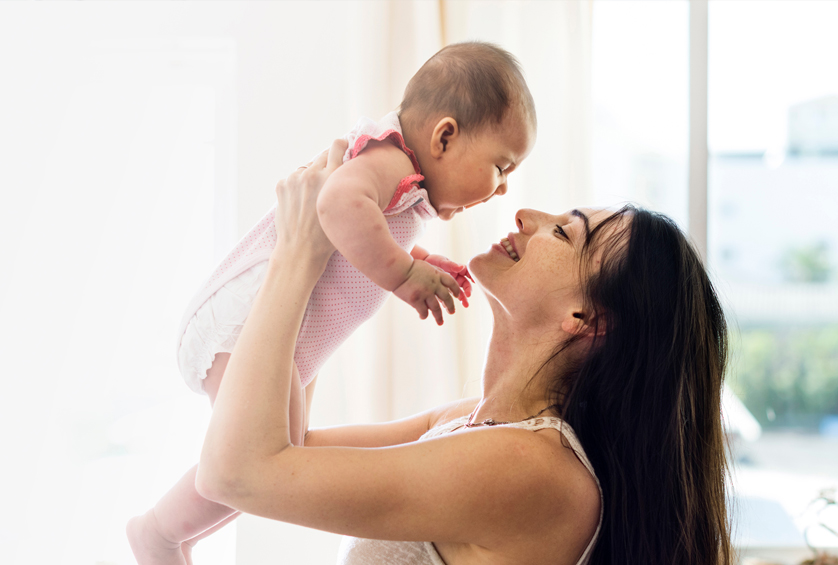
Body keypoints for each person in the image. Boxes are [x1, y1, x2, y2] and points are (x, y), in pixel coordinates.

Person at [194, 142, 734, 565]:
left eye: (565, 234)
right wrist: (329, 271)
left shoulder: (532, 469)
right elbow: (286, 445)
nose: (526, 214)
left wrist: (297, 253)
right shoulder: (469, 423)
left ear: (584, 320)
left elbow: (239, 473)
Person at [127, 41, 536, 564]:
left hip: (285, 330)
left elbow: (360, 240)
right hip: (246, 314)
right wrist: (404, 273)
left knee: (276, 460)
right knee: (257, 463)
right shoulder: (389, 157)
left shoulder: (403, 183)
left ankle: (170, 532)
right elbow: (337, 203)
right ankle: (159, 534)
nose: (502, 190)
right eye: (501, 167)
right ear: (445, 136)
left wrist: (417, 260)